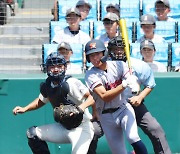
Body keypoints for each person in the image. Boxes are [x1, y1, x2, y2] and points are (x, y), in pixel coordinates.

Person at [12, 52, 102, 154]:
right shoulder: (47, 85)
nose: (55, 69)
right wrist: (25, 108)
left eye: (59, 66)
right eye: (52, 66)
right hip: (63, 127)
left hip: (82, 127)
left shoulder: (71, 82)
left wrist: (85, 110)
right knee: (32, 133)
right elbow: (41, 101)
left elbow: (92, 97)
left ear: (65, 67)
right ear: (47, 68)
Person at [108, 35, 172, 154]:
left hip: (132, 103)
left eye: (121, 49)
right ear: (110, 51)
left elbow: (150, 84)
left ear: (127, 49)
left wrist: (140, 96)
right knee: (95, 131)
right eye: (115, 49)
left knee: (156, 129)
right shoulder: (104, 66)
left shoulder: (137, 65)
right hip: (110, 106)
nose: (118, 52)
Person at [85, 39, 148, 154]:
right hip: (105, 115)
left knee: (133, 137)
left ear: (104, 53)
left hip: (123, 109)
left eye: (97, 54)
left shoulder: (119, 65)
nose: (95, 58)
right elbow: (105, 96)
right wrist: (124, 84)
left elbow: (134, 84)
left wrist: (135, 85)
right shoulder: (90, 74)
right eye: (91, 55)